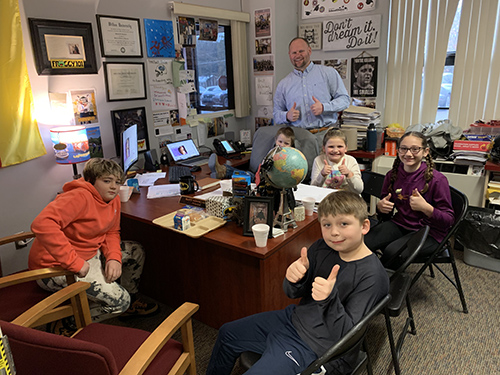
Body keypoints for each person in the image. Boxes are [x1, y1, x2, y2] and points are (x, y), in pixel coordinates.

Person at [206, 190, 389, 375]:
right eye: (327, 224)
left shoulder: (373, 276)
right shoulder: (322, 247)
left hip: (319, 347)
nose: (334, 232)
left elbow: (347, 336)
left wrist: (329, 299)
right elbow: (291, 292)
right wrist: (294, 279)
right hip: (293, 320)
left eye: (344, 224)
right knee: (227, 333)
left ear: (364, 226)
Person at [29, 158, 158, 324]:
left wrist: (114, 258)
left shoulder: (113, 199)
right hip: (56, 265)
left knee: (135, 251)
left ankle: (130, 301)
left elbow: (111, 231)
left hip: (89, 254)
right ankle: (68, 323)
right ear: (91, 181)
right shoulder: (78, 197)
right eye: (107, 181)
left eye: (117, 182)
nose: (114, 187)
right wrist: (74, 262)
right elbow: (42, 224)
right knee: (120, 302)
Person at [364, 131, 454, 268]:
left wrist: (427, 208)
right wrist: (381, 207)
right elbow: (385, 211)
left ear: (425, 152)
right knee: (364, 242)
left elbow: (448, 221)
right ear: (398, 150)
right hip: (400, 224)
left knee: (392, 253)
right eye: (404, 148)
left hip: (429, 232)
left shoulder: (437, 180)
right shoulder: (392, 175)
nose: (408, 154)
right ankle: (362, 276)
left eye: (415, 149)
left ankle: (381, 283)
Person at [273, 37, 350, 130]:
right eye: (294, 53)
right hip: (298, 136)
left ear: (309, 51)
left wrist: (324, 107)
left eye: (301, 51)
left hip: (326, 134)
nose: (297, 55)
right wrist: (286, 116)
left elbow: (345, 100)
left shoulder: (328, 73)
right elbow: (276, 114)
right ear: (289, 55)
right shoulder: (283, 84)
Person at [208, 126, 295, 181]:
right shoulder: (272, 152)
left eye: (286, 143)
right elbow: (263, 165)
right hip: (261, 178)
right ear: (276, 140)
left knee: (248, 175)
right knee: (246, 174)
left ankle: (223, 171)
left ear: (291, 145)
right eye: (280, 141)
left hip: (274, 181)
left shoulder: (291, 157)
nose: (282, 145)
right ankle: (223, 170)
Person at [311, 129, 363, 194]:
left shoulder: (351, 161)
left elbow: (359, 189)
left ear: (346, 148)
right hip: (326, 199)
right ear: (324, 148)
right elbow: (313, 188)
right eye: (331, 147)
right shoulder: (318, 160)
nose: (335, 150)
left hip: (347, 200)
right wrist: (322, 175)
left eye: (340, 146)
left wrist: (349, 174)